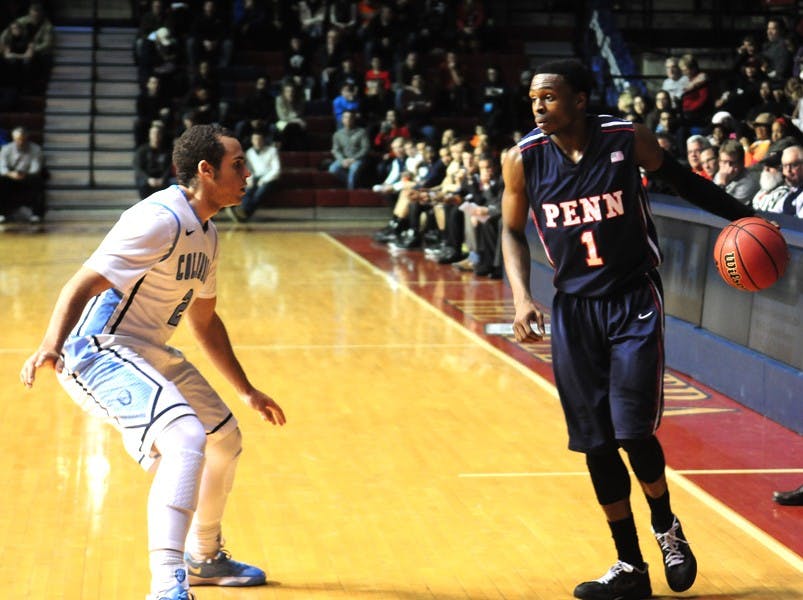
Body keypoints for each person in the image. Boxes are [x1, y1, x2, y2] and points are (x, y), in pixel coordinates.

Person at [501, 59, 756, 600]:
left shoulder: (624, 138)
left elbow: (682, 180)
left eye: (548, 97)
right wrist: (523, 296)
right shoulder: (522, 159)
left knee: (632, 430)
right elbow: (510, 231)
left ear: (580, 98)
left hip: (633, 297)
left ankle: (666, 528)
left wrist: (742, 217)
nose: (538, 107)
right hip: (573, 310)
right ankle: (630, 567)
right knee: (595, 443)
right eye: (532, 99)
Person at [19, 124, 286, 600]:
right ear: (206, 171)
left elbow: (204, 321)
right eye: (238, 164)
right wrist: (51, 344)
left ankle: (204, 557)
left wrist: (245, 390)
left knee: (223, 440)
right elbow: (79, 284)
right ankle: (167, 586)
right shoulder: (158, 218)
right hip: (97, 348)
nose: (247, 173)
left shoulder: (207, 234)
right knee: (185, 437)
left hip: (150, 351)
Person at [0, 125, 45, 223]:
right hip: (10, 176)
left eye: (22, 139)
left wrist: (24, 175)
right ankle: (1, 213)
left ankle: (36, 214)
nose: (19, 142)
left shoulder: (36, 149)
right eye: (17, 139)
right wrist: (10, 174)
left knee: (37, 180)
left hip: (28, 176)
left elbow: (35, 168)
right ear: (13, 138)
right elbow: (2, 167)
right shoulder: (6, 149)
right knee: (1, 181)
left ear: (26, 138)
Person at [233, 129, 281, 221]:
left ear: (264, 140)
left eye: (259, 139)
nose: (257, 142)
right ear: (252, 141)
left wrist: (263, 180)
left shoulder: (272, 151)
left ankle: (244, 212)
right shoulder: (249, 152)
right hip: (255, 177)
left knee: (259, 193)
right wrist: (249, 179)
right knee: (247, 190)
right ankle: (243, 212)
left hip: (270, 178)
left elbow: (276, 170)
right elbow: (248, 169)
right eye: (255, 139)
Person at [328, 110, 370, 189]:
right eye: (346, 117)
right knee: (332, 169)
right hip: (344, 159)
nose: (348, 119)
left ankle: (350, 190)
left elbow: (365, 148)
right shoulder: (337, 134)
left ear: (354, 119)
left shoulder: (362, 132)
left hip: (357, 158)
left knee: (354, 168)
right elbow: (336, 150)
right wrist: (342, 160)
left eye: (350, 118)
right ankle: (350, 182)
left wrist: (353, 159)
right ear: (342, 119)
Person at [134, 121, 173, 199]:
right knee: (141, 182)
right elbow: (138, 167)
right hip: (148, 178)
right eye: (154, 134)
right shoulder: (142, 150)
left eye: (158, 134)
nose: (156, 136)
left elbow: (170, 167)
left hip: (162, 178)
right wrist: (148, 179)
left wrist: (163, 179)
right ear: (150, 135)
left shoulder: (167, 151)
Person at [713, 139, 759, 204]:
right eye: (724, 162)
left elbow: (725, 207)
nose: (728, 168)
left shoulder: (748, 182)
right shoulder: (719, 175)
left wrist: (722, 185)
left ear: (742, 163)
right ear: (719, 162)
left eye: (732, 163)